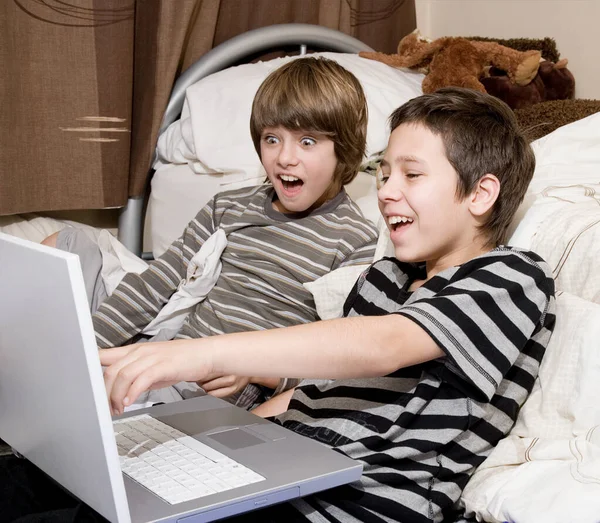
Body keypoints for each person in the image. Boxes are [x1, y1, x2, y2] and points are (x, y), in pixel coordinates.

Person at [100, 87, 556, 523]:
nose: (385, 191)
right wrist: (209, 442)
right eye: (384, 173)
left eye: (411, 175)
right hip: (282, 473)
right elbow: (312, 391)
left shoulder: (512, 277)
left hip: (356, 503)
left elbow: (386, 344)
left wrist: (198, 352)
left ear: (480, 194)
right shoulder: (384, 278)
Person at [43, 56, 378, 410]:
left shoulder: (354, 241)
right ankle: (57, 369)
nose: (285, 158)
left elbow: (337, 361)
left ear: (345, 149)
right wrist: (88, 352)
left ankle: (62, 387)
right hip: (169, 348)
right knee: (65, 246)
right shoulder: (229, 207)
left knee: (114, 396)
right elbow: (156, 285)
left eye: (307, 142)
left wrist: (256, 371)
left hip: (206, 390)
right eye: (272, 139)